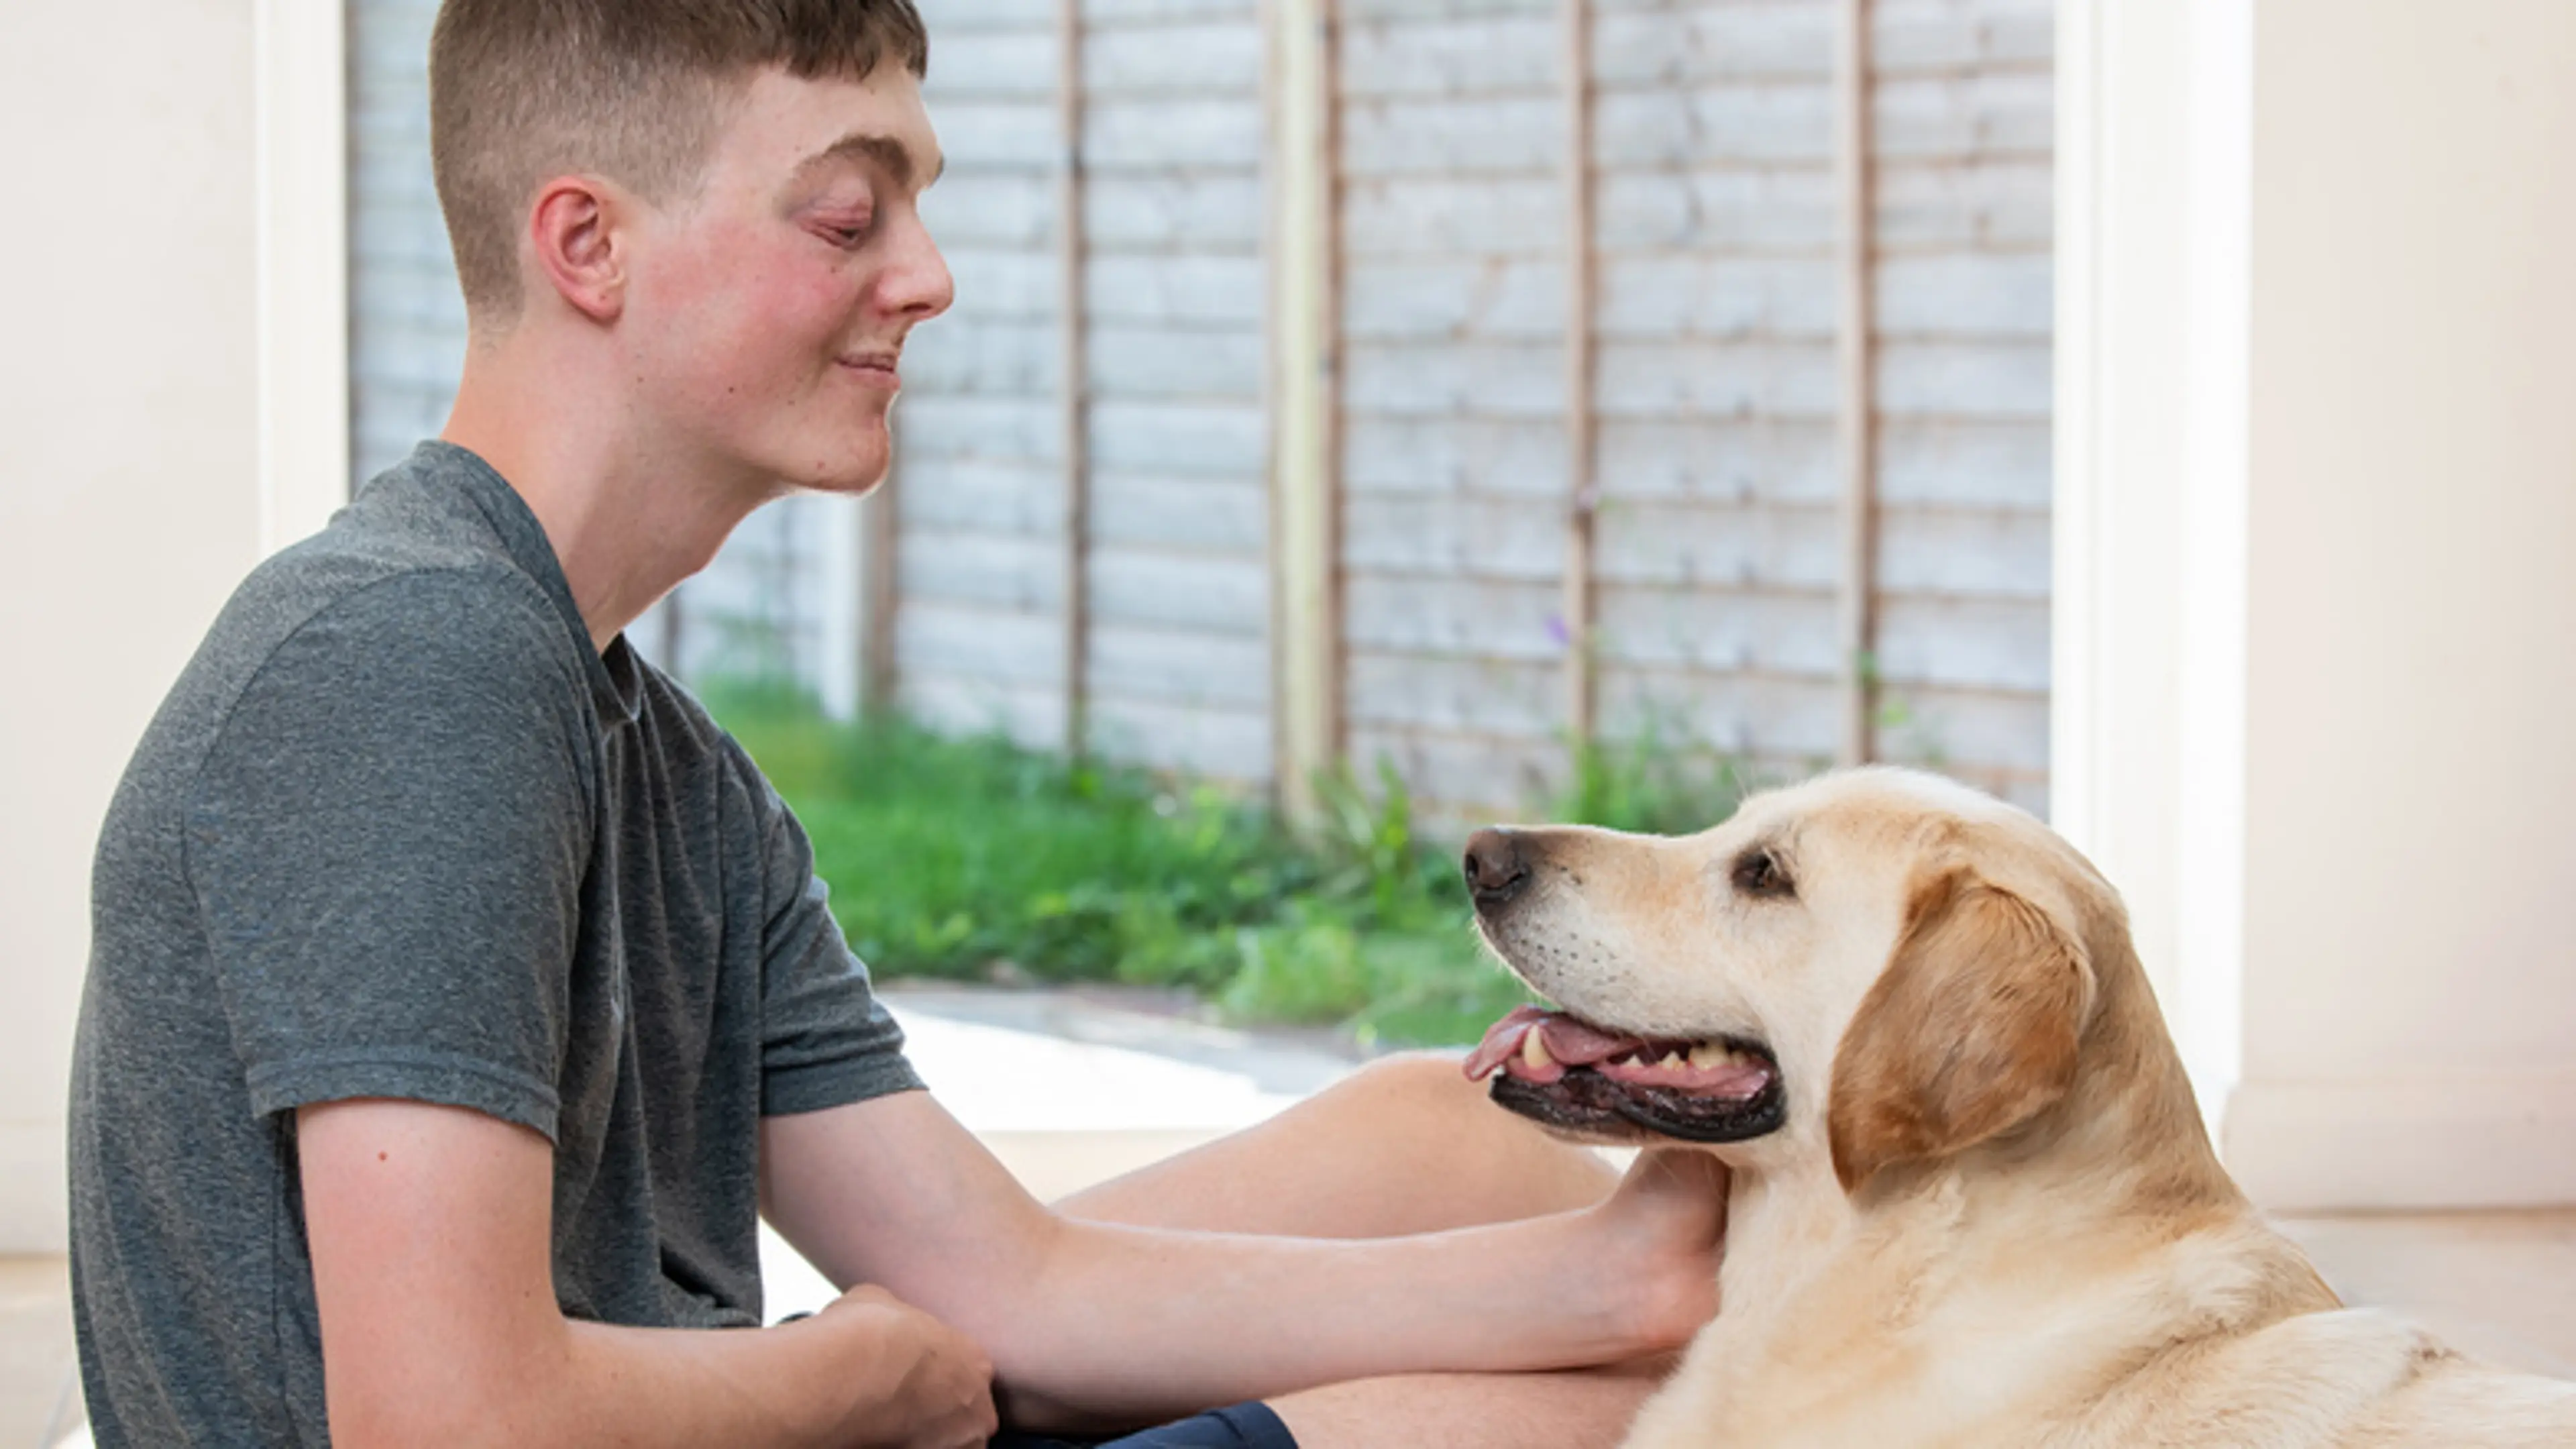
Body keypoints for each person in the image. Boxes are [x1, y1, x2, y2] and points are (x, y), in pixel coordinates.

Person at [65, 3, 1729, 1445]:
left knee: (1438, 1139)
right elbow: (445, 1422)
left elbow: (1006, 1285)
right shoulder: (405, 661)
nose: (927, 279)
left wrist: (1620, 1264)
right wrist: (837, 1388)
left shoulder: (668, 768)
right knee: (1628, 1417)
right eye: (846, 217)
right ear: (588, 246)